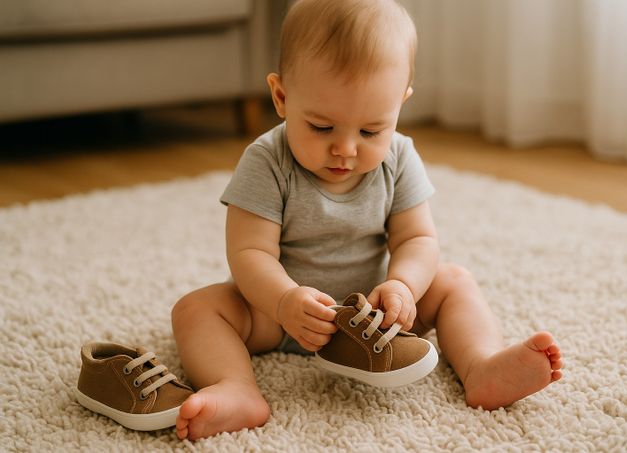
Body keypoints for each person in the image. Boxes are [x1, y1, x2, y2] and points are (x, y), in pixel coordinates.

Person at [171, 0, 563, 441]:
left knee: (454, 280)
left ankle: (481, 365)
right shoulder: (267, 161)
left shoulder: (399, 157)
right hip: (280, 315)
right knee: (197, 310)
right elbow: (249, 252)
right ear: (281, 97)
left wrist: (404, 287)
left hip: (381, 315)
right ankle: (237, 388)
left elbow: (418, 239)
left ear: (401, 103)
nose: (346, 149)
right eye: (321, 127)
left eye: (371, 131)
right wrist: (283, 302)